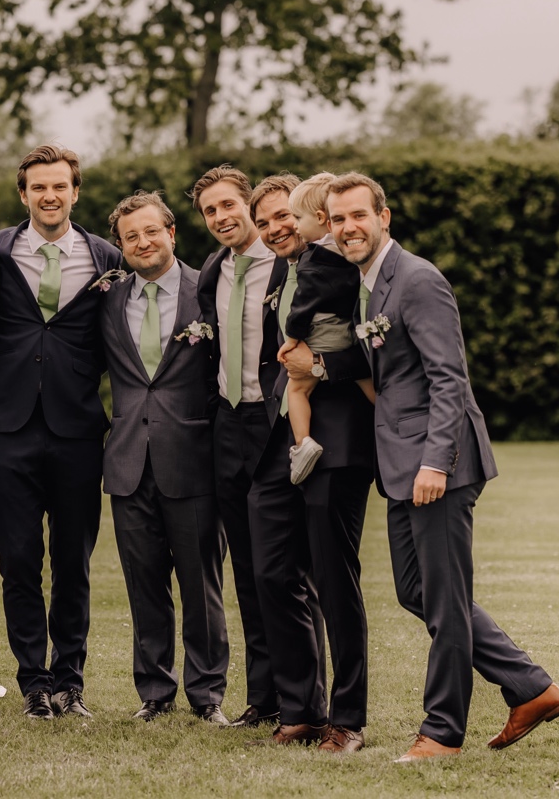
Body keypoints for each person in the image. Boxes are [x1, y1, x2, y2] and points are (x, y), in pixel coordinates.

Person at [326, 172, 559, 763]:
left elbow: (448, 378)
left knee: (443, 598)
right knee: (419, 592)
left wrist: (436, 461)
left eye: (358, 216)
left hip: (439, 466)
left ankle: (441, 733)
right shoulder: (366, 283)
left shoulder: (417, 278)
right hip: (401, 466)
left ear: (385, 217)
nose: (348, 228)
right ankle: (533, 688)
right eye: (337, 220)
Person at [0, 145, 122, 720]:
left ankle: (70, 681)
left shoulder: (105, 255)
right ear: (24, 194)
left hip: (77, 431)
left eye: (59, 186)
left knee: (73, 564)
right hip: (5, 432)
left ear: (75, 191)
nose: (50, 195)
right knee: (18, 564)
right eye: (38, 187)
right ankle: (33, 683)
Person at [246, 176, 375, 752]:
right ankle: (300, 709)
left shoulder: (349, 265)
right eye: (267, 222)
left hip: (341, 434)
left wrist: (318, 365)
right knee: (272, 571)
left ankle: (346, 720)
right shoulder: (280, 272)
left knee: (333, 576)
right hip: (283, 438)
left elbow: (371, 347)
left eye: (285, 217)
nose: (278, 229)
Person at [99, 192, 230, 724]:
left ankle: (207, 695)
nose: (143, 243)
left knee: (201, 586)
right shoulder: (107, 298)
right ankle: (155, 691)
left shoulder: (211, 290)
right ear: (121, 247)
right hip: (128, 461)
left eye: (151, 232)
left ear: (172, 233)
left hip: (193, 458)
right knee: (144, 583)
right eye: (131, 237)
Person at [192, 164, 289, 727]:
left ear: (249, 205)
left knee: (283, 568)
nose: (222, 217)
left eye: (230, 205)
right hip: (227, 426)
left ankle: (302, 697)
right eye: (211, 211)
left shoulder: (286, 264)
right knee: (247, 570)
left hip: (274, 423)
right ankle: (263, 699)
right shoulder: (213, 271)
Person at [274, 173, 376, 483]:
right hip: (350, 331)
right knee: (366, 380)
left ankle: (303, 443)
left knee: (297, 387)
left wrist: (292, 339)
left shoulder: (312, 259)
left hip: (323, 334)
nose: (293, 224)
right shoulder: (346, 251)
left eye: (296, 217)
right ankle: (391, 416)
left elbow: (303, 306)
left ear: (319, 218)